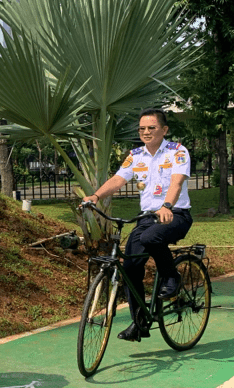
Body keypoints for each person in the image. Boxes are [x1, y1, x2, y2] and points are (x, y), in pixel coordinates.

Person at [82, 108, 193, 342]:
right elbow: (117, 180)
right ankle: (140, 321)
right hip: (147, 217)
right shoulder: (135, 155)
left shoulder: (177, 152)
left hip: (176, 214)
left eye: (151, 128)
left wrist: (167, 206)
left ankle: (172, 277)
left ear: (164, 130)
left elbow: (176, 182)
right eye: (142, 128)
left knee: (151, 238)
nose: (146, 132)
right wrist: (96, 196)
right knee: (130, 268)